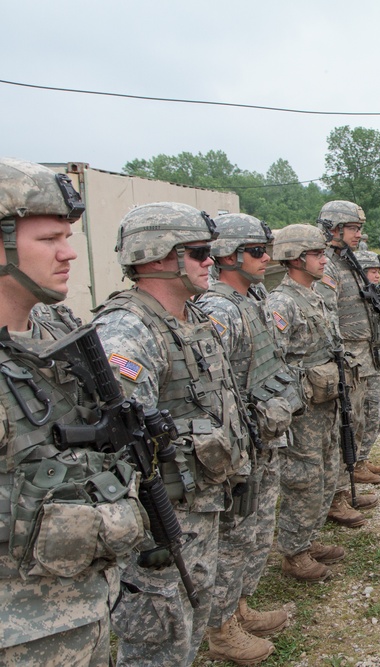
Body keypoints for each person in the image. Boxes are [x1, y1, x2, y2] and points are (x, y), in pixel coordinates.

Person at [0, 158, 146, 666]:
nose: (68, 254)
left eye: (68, 236)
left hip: (82, 605)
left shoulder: (56, 328)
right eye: (48, 240)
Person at [93, 202, 251, 667]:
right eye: (200, 252)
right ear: (157, 256)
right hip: (163, 522)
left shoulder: (193, 318)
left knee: (190, 619)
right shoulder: (127, 332)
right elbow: (117, 455)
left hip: (200, 503)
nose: (212, 262)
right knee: (159, 636)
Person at [196, 213, 299, 663]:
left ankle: (237, 608)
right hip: (241, 443)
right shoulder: (219, 309)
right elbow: (214, 388)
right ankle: (221, 631)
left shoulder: (252, 299)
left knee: (254, 533)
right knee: (235, 536)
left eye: (266, 249)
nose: (267, 258)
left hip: (263, 435)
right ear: (229, 257)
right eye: (258, 251)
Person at [266, 224, 358, 582]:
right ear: (295, 259)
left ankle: (307, 538)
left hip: (327, 401)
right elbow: (275, 361)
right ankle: (294, 552)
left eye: (323, 253)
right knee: (303, 478)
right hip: (303, 407)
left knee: (324, 472)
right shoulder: (281, 302)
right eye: (317, 254)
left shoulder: (315, 295)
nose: (324, 260)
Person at [316, 201, 380, 517]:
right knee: (340, 430)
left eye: (359, 228)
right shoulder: (327, 266)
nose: (359, 234)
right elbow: (326, 317)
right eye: (354, 228)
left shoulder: (348, 263)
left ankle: (345, 490)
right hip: (344, 358)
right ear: (335, 229)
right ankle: (335, 499)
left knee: (355, 423)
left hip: (358, 356)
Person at [352, 250, 380, 480]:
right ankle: (357, 463)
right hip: (362, 365)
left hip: (375, 361)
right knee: (364, 413)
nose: (377, 276)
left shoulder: (374, 296)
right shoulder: (352, 300)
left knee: (375, 412)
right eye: (372, 271)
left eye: (378, 272)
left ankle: (364, 458)